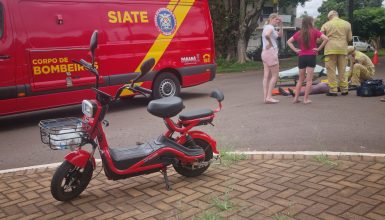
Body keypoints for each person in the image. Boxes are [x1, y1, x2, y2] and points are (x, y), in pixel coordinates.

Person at [287, 16, 328, 104]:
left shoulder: (299, 32)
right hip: (311, 56)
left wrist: (295, 50)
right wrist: (319, 49)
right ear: (310, 22)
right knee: (309, 79)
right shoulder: (315, 31)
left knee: (300, 79)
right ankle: (305, 99)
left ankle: (295, 98)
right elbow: (326, 39)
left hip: (301, 57)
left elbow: (289, 41)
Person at [321, 10, 352, 96]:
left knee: (331, 71)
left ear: (329, 17)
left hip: (330, 50)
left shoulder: (326, 24)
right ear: (337, 15)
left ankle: (333, 90)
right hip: (343, 50)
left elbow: (321, 39)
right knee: (342, 70)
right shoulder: (347, 24)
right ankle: (344, 89)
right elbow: (349, 39)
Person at [261, 13, 283, 104]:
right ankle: (269, 97)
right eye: (277, 19)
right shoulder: (270, 28)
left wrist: (281, 25)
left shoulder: (266, 27)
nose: (278, 21)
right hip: (271, 53)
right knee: (275, 75)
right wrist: (270, 43)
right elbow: (267, 35)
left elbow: (280, 35)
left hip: (264, 53)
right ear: (272, 19)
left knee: (266, 75)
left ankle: (265, 97)